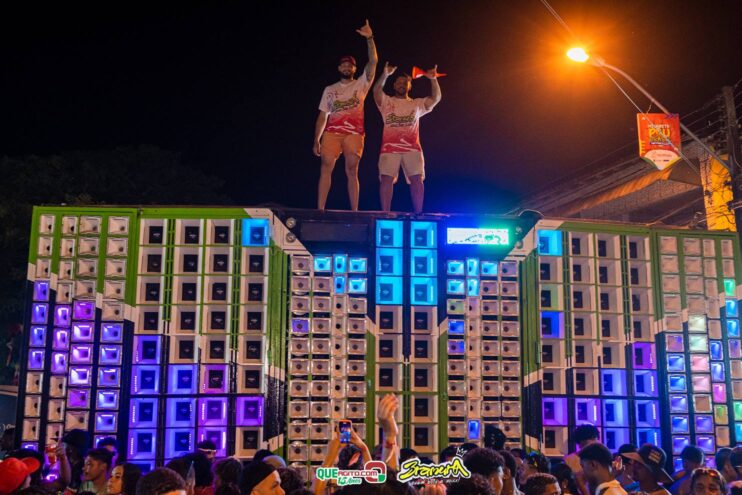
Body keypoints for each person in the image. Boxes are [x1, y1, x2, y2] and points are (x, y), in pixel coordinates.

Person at [314, 20, 378, 211]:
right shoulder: (330, 89)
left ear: (354, 69)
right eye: (343, 65)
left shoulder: (361, 84)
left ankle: (354, 211)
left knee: (352, 168)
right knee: (326, 166)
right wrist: (316, 140)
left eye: (350, 65)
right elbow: (322, 115)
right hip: (332, 132)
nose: (346, 67)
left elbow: (373, 62)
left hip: (354, 133)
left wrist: (369, 38)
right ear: (339, 68)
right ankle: (320, 210)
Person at [373, 62, 441, 214]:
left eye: (405, 83)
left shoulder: (417, 104)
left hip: (412, 148)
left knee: (417, 180)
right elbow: (376, 91)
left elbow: (436, 98)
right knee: (386, 179)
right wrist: (385, 75)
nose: (402, 84)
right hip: (390, 147)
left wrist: (433, 79)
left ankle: (418, 214)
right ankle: (385, 214)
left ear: (409, 86)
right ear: (394, 85)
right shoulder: (387, 102)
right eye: (399, 82)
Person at [565, 425, 601, 495]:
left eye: (595, 439)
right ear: (580, 442)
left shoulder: (601, 458)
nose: (594, 443)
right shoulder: (569, 460)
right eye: (591, 439)